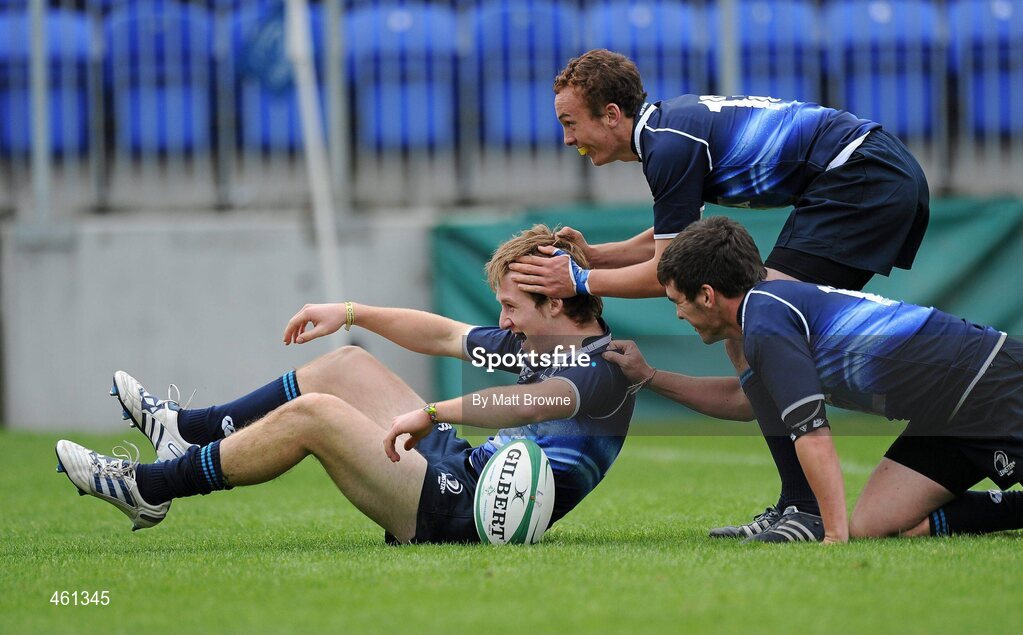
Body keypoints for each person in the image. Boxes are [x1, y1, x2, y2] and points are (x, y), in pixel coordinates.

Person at [509, 48, 930, 541]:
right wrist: (595, 258)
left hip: (861, 177)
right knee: (747, 328)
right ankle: (798, 502)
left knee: (757, 321)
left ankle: (807, 509)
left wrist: (578, 282)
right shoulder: (666, 135)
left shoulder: (667, 145)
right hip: (864, 173)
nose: (567, 139)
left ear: (612, 115)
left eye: (570, 122)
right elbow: (674, 243)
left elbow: (666, 272)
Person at [54, 225, 636, 543]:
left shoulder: (606, 366)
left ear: (556, 301)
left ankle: (151, 486)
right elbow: (442, 335)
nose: (502, 321)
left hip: (469, 515)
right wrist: (352, 311)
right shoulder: (538, 338)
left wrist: (431, 412)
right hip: (463, 471)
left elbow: (527, 403)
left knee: (317, 416)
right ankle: (189, 432)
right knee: (346, 365)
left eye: (510, 307)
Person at [606, 216, 1023, 543]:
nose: (679, 314)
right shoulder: (765, 313)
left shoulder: (767, 322)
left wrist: (833, 534)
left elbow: (814, 434)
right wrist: (651, 377)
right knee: (875, 524)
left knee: (849, 528)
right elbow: (745, 402)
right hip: (943, 416)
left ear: (708, 295)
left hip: (994, 384)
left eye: (679, 301)